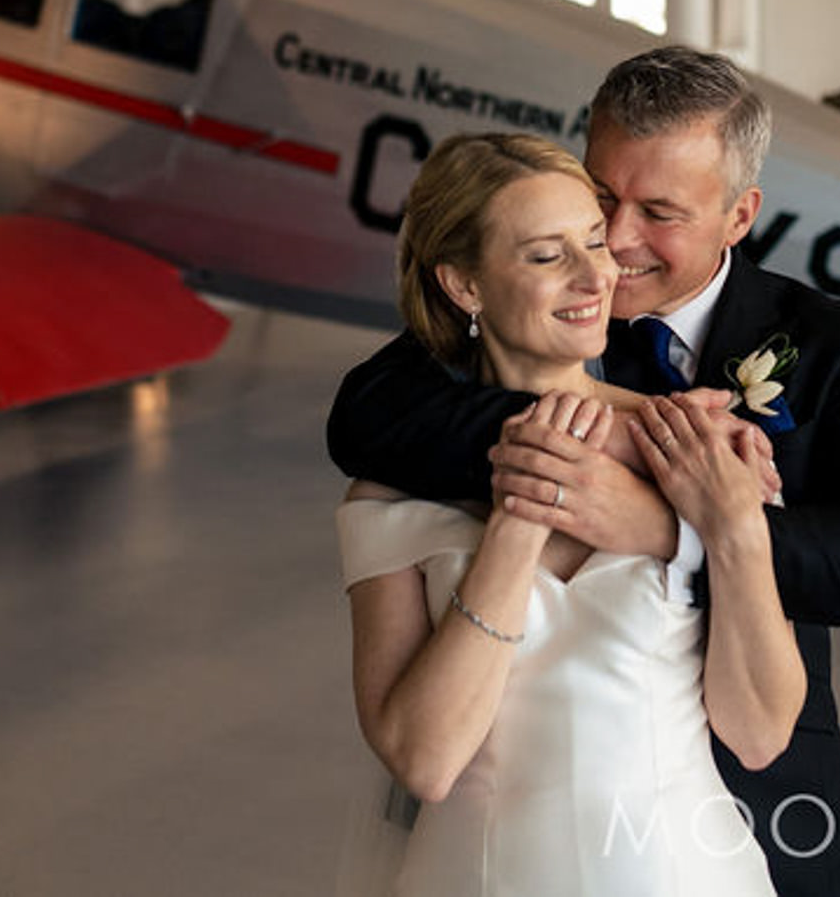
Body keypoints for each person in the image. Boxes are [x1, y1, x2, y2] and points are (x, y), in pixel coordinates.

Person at [330, 48, 840, 897]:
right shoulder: (540, 300)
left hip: (748, 815)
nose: (612, 244)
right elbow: (365, 413)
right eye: (601, 198)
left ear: (738, 216)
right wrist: (621, 435)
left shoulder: (831, 342)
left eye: (659, 211)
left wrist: (670, 522)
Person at [339, 132, 800, 894]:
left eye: (594, 241)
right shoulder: (390, 496)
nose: (599, 275)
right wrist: (520, 520)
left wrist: (737, 526)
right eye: (549, 255)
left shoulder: (694, 449)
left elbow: (759, 736)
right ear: (465, 286)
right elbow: (426, 760)